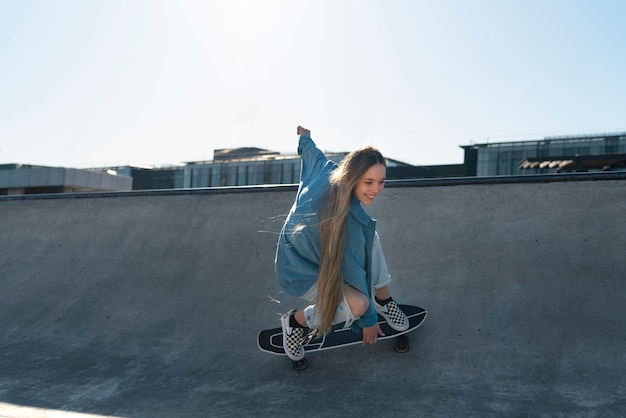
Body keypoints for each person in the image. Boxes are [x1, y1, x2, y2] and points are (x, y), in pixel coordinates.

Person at [274, 126, 409, 361]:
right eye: (368, 182)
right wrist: (369, 320)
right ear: (354, 177)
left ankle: (384, 299)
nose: (376, 190)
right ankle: (296, 322)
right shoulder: (344, 219)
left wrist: (304, 138)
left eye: (381, 182)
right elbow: (354, 271)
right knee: (358, 304)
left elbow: (312, 153)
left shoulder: (329, 170)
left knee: (371, 236)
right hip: (299, 272)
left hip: (304, 252)